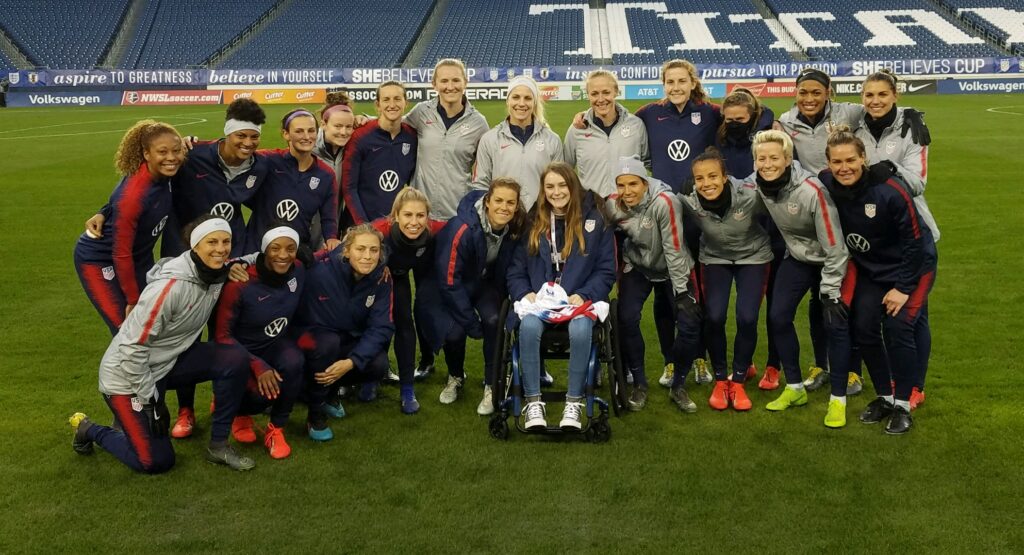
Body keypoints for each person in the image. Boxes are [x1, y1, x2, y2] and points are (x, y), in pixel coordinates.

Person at [69, 216, 254, 473]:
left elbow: (247, 260)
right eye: (212, 242)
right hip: (126, 378)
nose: (221, 249)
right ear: (195, 245)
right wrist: (150, 402)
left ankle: (218, 445)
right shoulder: (170, 287)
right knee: (155, 461)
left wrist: (279, 253)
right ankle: (90, 429)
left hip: (166, 365)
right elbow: (131, 348)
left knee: (235, 358)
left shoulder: (217, 269)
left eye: (226, 242)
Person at [820, 126, 936, 434]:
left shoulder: (890, 190)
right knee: (864, 328)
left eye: (850, 160)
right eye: (837, 162)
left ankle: (903, 405)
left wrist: (902, 289)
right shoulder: (826, 184)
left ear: (863, 158)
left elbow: (915, 242)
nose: (844, 168)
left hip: (914, 267)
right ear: (828, 164)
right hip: (874, 270)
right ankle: (885, 397)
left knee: (898, 327)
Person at [749, 130, 854, 428]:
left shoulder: (812, 191)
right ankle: (795, 388)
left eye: (773, 158)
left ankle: (838, 400)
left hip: (830, 261)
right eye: (761, 158)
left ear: (787, 158)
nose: (767, 164)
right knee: (778, 316)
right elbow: (735, 191)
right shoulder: (758, 184)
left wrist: (831, 290)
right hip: (798, 258)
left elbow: (834, 246)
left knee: (834, 323)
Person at [506, 162, 616, 429]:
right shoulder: (534, 221)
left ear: (573, 186)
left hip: (578, 299)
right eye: (550, 187)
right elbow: (516, 270)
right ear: (543, 191)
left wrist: (585, 294)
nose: (557, 192)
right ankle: (533, 403)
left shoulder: (596, 218)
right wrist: (525, 293)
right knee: (529, 327)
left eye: (562, 185)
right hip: (542, 301)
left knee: (580, 330)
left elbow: (606, 270)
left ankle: (574, 403)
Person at [634, 59, 722, 388]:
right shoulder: (648, 114)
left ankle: (699, 357)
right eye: (669, 82)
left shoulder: (710, 112)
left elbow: (759, 114)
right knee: (664, 293)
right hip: (663, 215)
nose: (675, 87)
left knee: (697, 289)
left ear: (692, 81)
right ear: (663, 84)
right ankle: (671, 361)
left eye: (681, 81)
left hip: (700, 215)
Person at [854, 69, 937, 410]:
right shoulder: (856, 124)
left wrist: (889, 169)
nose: (875, 101)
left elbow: (918, 183)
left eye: (882, 95)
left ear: (895, 95)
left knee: (912, 318)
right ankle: (894, 382)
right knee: (877, 321)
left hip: (911, 231)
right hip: (875, 239)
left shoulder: (910, 126)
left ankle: (915, 385)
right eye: (869, 95)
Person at [606, 156, 702, 412]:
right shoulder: (613, 205)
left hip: (673, 268)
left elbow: (674, 248)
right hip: (638, 266)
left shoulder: (665, 202)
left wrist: (682, 291)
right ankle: (639, 383)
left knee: (690, 323)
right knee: (626, 318)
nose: (627, 191)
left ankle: (678, 385)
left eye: (633, 184)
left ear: (645, 183)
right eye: (621, 185)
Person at [679, 149, 772, 410]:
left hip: (753, 256)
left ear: (725, 176)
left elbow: (781, 192)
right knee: (715, 316)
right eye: (700, 178)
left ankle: (739, 379)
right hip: (714, 257)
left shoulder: (749, 194)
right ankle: (721, 379)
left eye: (712, 176)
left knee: (747, 317)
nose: (706, 184)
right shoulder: (688, 198)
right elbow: (658, 196)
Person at [74, 120, 184, 335]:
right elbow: (121, 253)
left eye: (176, 151)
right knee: (127, 333)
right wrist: (133, 300)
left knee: (154, 328)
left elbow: (113, 201)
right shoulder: (135, 195)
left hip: (139, 259)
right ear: (146, 154)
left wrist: (103, 212)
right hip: (101, 260)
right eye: (163, 152)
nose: (171, 158)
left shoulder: (164, 173)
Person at [430, 178, 526, 414]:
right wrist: (471, 323)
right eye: (499, 201)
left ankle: (491, 384)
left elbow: (514, 268)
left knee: (494, 321)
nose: (504, 207)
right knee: (454, 333)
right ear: (486, 202)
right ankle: (455, 376)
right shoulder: (461, 228)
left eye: (510, 203)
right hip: (456, 286)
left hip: (485, 285)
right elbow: (450, 281)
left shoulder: (516, 228)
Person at [210, 225, 306, 458]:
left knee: (295, 361)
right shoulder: (241, 283)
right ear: (263, 251)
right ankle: (238, 411)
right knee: (260, 396)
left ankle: (276, 428)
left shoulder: (299, 270)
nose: (283, 255)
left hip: (273, 345)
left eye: (290, 249)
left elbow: (335, 256)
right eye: (275, 249)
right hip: (241, 352)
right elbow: (222, 336)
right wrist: (257, 365)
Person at [296, 224, 394, 441]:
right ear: (347, 250)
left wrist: (351, 362)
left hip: (345, 340)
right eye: (360, 249)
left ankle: (331, 392)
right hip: (312, 338)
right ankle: (315, 411)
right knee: (327, 343)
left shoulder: (382, 279)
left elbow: (382, 327)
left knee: (378, 363)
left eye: (374, 250)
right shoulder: (318, 271)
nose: (367, 256)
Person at [715, 88, 780, 388]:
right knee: (740, 312)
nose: (734, 123)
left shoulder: (767, 136)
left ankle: (774, 366)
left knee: (774, 306)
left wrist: (766, 119)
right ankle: (749, 363)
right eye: (729, 119)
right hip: (729, 232)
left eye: (741, 118)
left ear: (753, 117)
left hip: (767, 230)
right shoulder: (719, 139)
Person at [370, 189, 446, 414]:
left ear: (428, 217)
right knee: (376, 324)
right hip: (376, 279)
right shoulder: (379, 232)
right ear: (395, 216)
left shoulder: (434, 231)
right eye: (408, 215)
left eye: (420, 216)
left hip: (400, 276)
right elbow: (348, 245)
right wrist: (377, 264)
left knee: (405, 322)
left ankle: (407, 389)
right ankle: (370, 378)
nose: (414, 222)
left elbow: (463, 228)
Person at [244, 109, 340, 256]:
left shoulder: (326, 175)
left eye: (311, 131)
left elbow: (329, 218)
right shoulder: (267, 160)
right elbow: (230, 153)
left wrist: (332, 238)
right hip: (256, 252)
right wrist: (195, 143)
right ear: (286, 134)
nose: (307, 137)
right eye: (299, 131)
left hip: (295, 253)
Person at [406, 58, 489, 220]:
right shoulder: (421, 112)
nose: (450, 87)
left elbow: (488, 167)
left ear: (465, 82)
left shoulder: (479, 123)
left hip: (457, 213)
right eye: (444, 81)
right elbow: (392, 126)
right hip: (421, 214)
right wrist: (363, 119)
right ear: (434, 84)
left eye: (456, 80)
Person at [473, 76, 563, 210]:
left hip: (540, 220)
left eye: (527, 98)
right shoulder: (490, 139)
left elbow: (559, 185)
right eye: (515, 97)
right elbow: (481, 185)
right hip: (504, 219)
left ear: (535, 102)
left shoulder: (552, 140)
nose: (521, 103)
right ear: (507, 101)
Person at [341, 81, 417, 227]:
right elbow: (349, 188)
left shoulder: (411, 137)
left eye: (397, 99)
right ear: (377, 105)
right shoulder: (360, 136)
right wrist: (363, 225)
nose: (392, 104)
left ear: (406, 103)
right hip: (360, 224)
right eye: (386, 100)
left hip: (394, 224)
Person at [563, 70, 648, 198]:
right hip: (591, 209)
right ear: (588, 95)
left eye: (606, 92)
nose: (601, 99)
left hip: (629, 208)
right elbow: (565, 170)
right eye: (594, 94)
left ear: (616, 91)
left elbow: (648, 163)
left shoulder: (636, 125)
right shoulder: (577, 129)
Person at [309, 91, 357, 249]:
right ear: (323, 124)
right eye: (337, 126)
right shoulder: (309, 149)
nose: (343, 132)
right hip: (306, 227)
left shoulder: (352, 147)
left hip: (332, 228)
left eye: (348, 127)